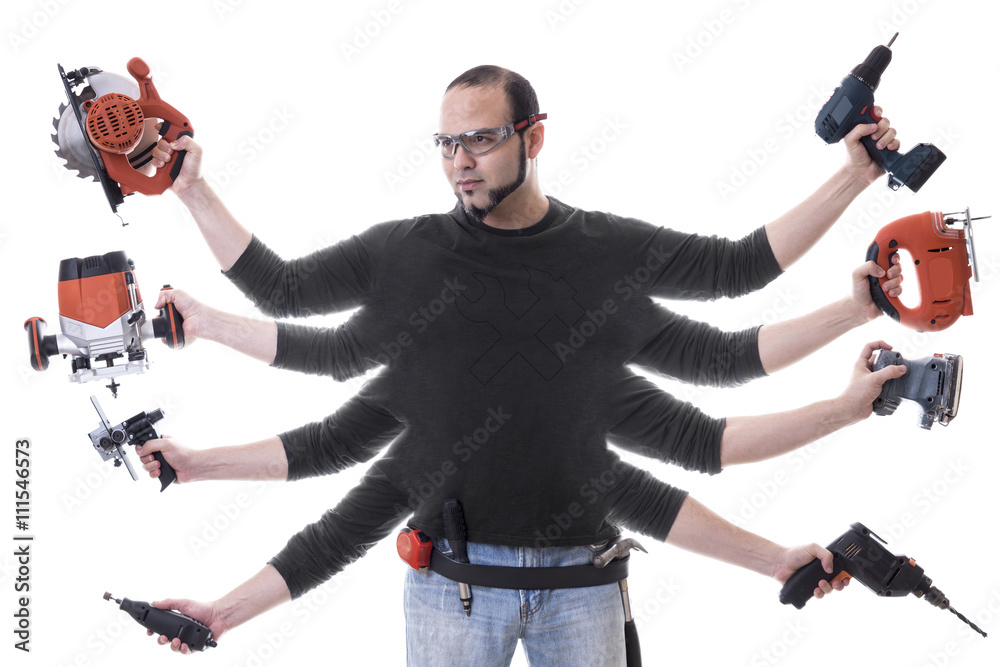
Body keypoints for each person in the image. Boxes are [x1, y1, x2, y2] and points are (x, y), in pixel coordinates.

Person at [139, 65, 904, 662]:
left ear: (534, 137)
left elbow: (734, 283)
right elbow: (289, 296)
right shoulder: (406, 260)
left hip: (586, 591)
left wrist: (856, 181)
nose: (459, 163)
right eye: (445, 143)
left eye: (479, 139)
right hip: (449, 597)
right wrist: (193, 189)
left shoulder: (604, 254)